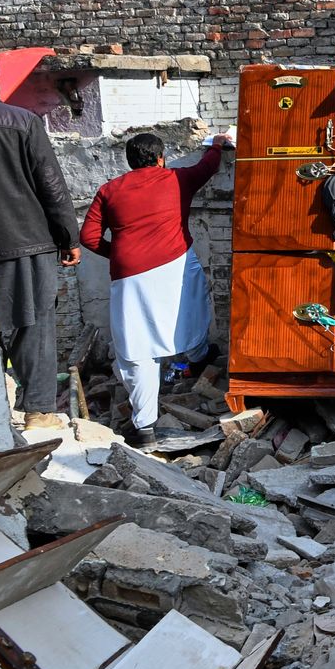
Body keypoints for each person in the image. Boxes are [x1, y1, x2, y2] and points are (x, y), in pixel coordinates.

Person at [81, 131, 229, 444]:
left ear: (129, 161)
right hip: (176, 264)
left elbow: (88, 237)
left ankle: (145, 427)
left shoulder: (109, 190)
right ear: (160, 158)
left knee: (137, 348)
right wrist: (217, 142)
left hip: (129, 276)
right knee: (193, 310)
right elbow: (210, 165)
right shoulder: (177, 179)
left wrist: (121, 253)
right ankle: (198, 355)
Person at [0, 53, 81, 431]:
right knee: (33, 325)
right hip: (26, 239)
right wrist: (69, 237)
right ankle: (38, 411)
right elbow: (51, 183)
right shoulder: (20, 121)